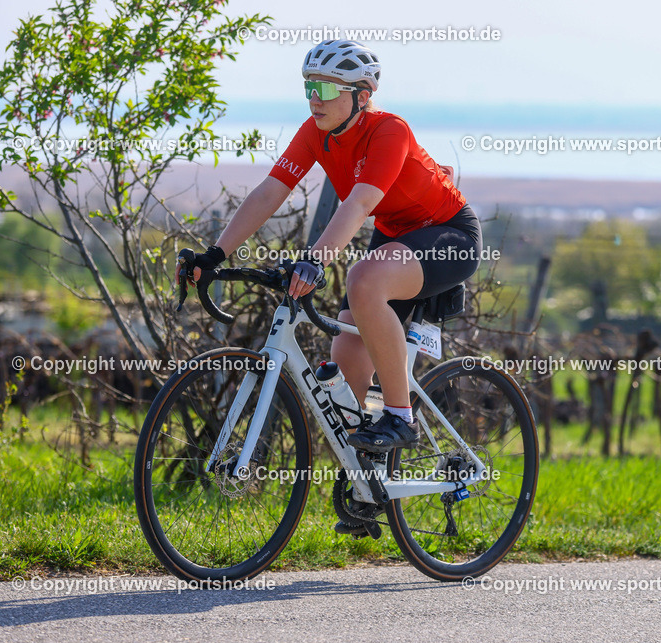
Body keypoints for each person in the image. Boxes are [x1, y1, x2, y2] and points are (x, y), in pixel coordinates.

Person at [177, 39, 482, 459]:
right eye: (307, 88)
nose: (312, 100)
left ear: (361, 96)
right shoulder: (314, 133)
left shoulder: (389, 130)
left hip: (449, 235)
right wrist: (215, 255)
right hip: (397, 234)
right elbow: (270, 193)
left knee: (363, 280)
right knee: (346, 350)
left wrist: (315, 260)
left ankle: (401, 417)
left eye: (323, 89)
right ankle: (367, 477)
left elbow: (358, 203)